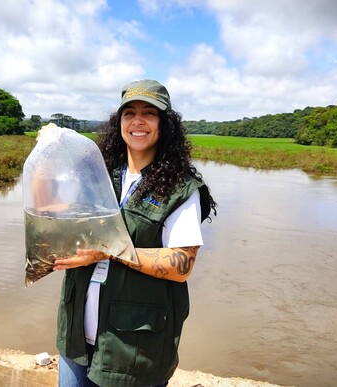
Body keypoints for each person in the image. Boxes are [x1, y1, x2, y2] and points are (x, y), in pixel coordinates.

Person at [49, 79, 217, 386]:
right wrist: (47, 152)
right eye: (129, 113)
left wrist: (110, 251)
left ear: (164, 124)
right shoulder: (97, 172)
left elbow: (182, 265)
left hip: (133, 350)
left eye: (149, 113)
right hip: (75, 340)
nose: (138, 121)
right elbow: (52, 207)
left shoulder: (180, 188)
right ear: (119, 122)